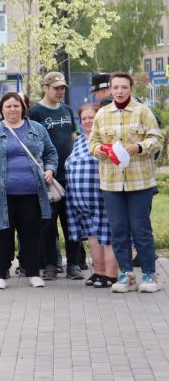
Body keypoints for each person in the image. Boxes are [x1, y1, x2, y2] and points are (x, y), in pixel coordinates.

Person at [88, 72, 164, 293]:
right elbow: (92, 142)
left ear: (131, 89)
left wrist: (138, 147)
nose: (119, 91)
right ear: (110, 89)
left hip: (139, 181)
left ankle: (149, 276)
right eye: (115, 87)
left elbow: (156, 138)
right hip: (111, 183)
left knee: (141, 229)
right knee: (118, 230)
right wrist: (100, 150)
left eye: (124, 87)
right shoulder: (102, 114)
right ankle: (126, 275)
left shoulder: (142, 111)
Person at [0, 92, 58, 290]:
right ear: (1, 110)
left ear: (23, 108)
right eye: (8, 106)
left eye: (16, 106)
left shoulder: (37, 129)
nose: (12, 109)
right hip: (0, 193)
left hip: (32, 193)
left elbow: (51, 153)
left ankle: (33, 273)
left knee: (30, 234)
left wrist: (49, 169)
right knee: (2, 233)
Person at [28, 72, 84, 281]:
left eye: (62, 88)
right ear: (45, 88)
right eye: (56, 88)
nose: (60, 92)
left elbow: (73, 137)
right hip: (48, 177)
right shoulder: (35, 112)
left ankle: (74, 264)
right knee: (47, 223)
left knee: (71, 222)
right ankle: (51, 264)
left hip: (70, 176)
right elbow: (30, 144)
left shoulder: (68, 110)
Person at [65, 104, 118, 288]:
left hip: (102, 195)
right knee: (93, 236)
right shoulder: (79, 140)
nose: (87, 121)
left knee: (107, 235)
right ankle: (99, 272)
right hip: (81, 200)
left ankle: (111, 275)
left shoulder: (105, 138)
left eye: (91, 117)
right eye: (84, 118)